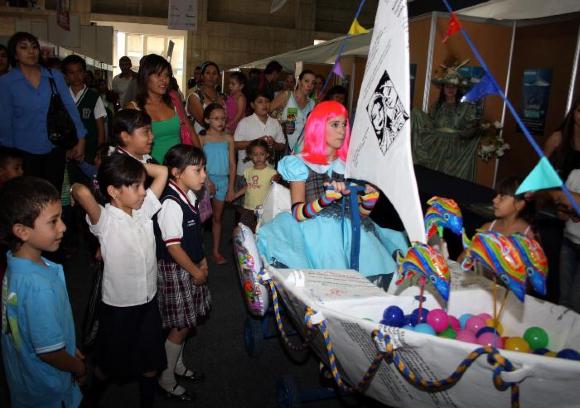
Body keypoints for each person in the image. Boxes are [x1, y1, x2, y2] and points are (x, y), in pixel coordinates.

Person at [256, 101, 408, 289]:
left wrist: (369, 201)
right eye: (335, 124)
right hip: (317, 236)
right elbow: (298, 213)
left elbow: (359, 216)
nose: (342, 130)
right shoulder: (299, 164)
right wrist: (324, 201)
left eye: (344, 124)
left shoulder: (349, 168)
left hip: (354, 235)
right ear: (319, 127)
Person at [71, 155, 168, 408]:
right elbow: (81, 191)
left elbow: (163, 172)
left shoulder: (143, 210)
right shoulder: (105, 220)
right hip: (119, 307)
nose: (143, 192)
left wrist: (134, 169)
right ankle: (92, 398)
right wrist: (73, 188)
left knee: (151, 361)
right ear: (114, 191)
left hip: (148, 301)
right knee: (108, 365)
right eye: (135, 186)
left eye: (142, 185)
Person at [0, 177, 85, 408]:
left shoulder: (14, 265)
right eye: (53, 221)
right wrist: (77, 367)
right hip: (51, 390)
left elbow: (35, 330)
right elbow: (49, 353)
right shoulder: (39, 288)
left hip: (26, 383)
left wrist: (68, 346)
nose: (63, 227)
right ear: (22, 231)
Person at [154, 144, 211, 400]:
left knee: (186, 323)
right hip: (178, 269)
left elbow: (195, 236)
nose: (203, 175)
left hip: (190, 265)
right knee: (180, 325)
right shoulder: (171, 203)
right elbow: (174, 247)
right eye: (197, 170)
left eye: (204, 169)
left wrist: (204, 260)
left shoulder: (189, 195)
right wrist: (195, 271)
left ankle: (175, 364)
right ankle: (165, 378)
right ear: (176, 173)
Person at [0, 32, 86, 192]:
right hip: (23, 152)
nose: (31, 51)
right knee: (27, 199)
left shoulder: (55, 77)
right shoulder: (6, 83)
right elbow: (5, 121)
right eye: (24, 47)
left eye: (34, 47)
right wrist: (8, 159)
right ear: (15, 54)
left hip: (55, 148)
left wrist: (80, 138)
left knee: (52, 194)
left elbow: (70, 107)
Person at [411, 64, 480, 181]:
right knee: (435, 178)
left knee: (450, 180)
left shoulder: (466, 107)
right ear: (443, 88)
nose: (450, 89)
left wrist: (470, 131)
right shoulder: (437, 106)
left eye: (454, 87)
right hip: (436, 146)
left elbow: (471, 127)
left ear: (458, 89)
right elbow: (430, 125)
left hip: (455, 149)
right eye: (447, 86)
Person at [131, 54, 200, 163]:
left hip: (179, 169)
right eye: (158, 75)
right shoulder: (134, 108)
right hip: (150, 172)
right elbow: (130, 148)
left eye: (167, 75)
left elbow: (190, 130)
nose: (164, 80)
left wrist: (200, 160)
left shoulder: (174, 100)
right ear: (145, 77)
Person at [234, 92, 285, 208]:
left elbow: (282, 145)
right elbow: (235, 145)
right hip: (246, 172)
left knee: (265, 208)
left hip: (267, 174)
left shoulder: (275, 123)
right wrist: (256, 142)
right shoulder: (245, 122)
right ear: (252, 105)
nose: (264, 105)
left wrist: (274, 144)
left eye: (267, 101)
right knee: (244, 208)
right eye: (260, 102)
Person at [62, 55, 107, 179]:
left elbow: (100, 127)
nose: (76, 76)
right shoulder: (62, 96)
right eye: (71, 73)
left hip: (90, 150)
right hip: (67, 149)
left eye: (79, 72)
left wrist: (99, 150)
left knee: (88, 182)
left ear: (85, 73)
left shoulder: (93, 97)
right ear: (65, 75)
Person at [202, 103, 235, 264]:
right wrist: (207, 181)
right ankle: (198, 252)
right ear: (207, 120)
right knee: (199, 218)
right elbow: (199, 164)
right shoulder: (202, 139)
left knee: (217, 218)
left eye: (223, 118)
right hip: (203, 180)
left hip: (222, 181)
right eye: (216, 118)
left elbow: (233, 164)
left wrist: (231, 187)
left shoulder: (228, 138)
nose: (220, 122)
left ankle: (215, 251)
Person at [232, 139, 278, 232]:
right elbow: (248, 187)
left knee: (261, 232)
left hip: (263, 209)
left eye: (261, 154)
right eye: (255, 154)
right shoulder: (248, 171)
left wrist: (277, 178)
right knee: (246, 232)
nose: (258, 157)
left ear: (267, 155)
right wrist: (235, 195)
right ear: (250, 156)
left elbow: (276, 189)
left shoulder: (272, 172)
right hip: (248, 208)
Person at [270, 70, 316, 153]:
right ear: (299, 81)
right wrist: (281, 125)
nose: (310, 85)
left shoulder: (312, 104)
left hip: (303, 149)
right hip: (284, 147)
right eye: (306, 81)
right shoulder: (286, 96)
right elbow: (267, 112)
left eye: (313, 83)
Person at [544, 97, 580, 182]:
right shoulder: (558, 137)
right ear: (573, 112)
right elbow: (542, 166)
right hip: (556, 190)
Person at [186, 61, 225, 134]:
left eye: (214, 73)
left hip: (221, 139)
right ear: (202, 76)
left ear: (218, 77)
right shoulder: (194, 97)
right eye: (208, 73)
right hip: (200, 141)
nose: (211, 76)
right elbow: (205, 123)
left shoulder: (223, 97)